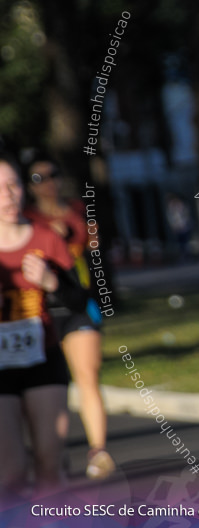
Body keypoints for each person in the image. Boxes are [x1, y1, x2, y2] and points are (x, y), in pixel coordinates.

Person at [0, 152, 88, 494]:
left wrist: (53, 283)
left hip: (42, 357)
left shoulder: (46, 238)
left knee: (50, 467)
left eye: (13, 185)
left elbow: (80, 301)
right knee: (11, 472)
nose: (9, 195)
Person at [23, 154, 115, 481]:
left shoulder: (77, 212)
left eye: (53, 174)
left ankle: (99, 451)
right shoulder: (24, 219)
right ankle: (51, 454)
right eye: (38, 178)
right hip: (39, 311)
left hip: (77, 304)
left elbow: (92, 251)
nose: (48, 182)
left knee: (87, 375)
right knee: (45, 386)